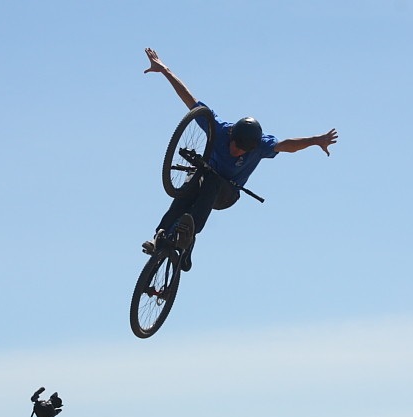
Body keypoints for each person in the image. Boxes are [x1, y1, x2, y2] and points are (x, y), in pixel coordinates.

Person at [142, 47, 339, 272]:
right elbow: (190, 100)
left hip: (226, 193)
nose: (236, 152)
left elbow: (287, 146)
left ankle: (188, 234)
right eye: (235, 146)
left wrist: (316, 140)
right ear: (231, 135)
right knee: (190, 185)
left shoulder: (261, 145)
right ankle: (162, 236)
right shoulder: (218, 129)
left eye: (243, 151)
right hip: (203, 180)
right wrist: (164, 70)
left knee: (213, 181)